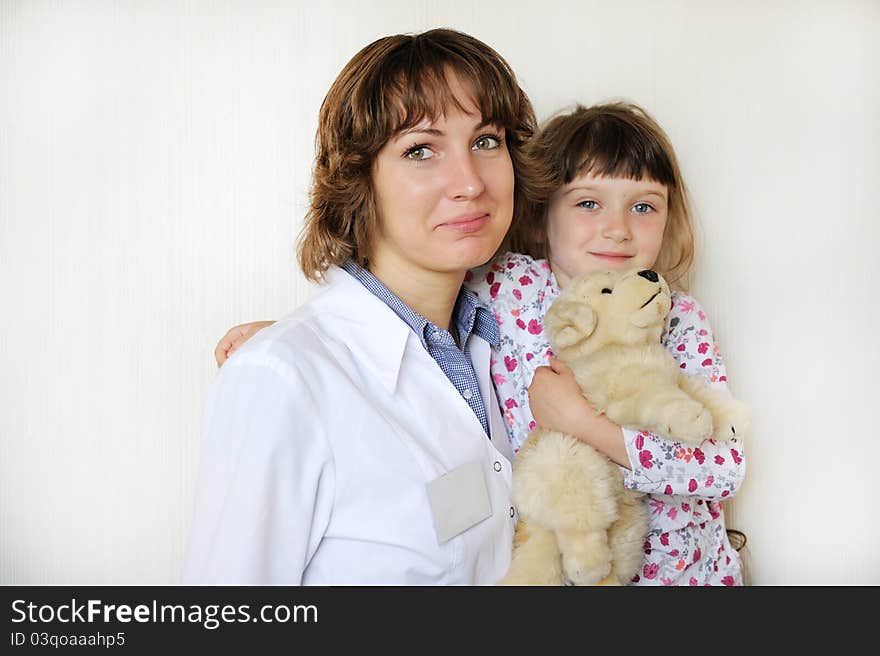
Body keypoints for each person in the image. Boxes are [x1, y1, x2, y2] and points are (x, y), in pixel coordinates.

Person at [219, 102, 748, 586]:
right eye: (589, 203)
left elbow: (723, 469)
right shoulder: (505, 286)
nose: (617, 231)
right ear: (540, 218)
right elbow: (398, 307)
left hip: (685, 576)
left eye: (644, 207)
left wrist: (588, 427)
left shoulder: (676, 320)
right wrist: (302, 336)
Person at [183, 28, 548, 584]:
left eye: (486, 141)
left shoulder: (501, 337)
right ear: (358, 181)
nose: (469, 183)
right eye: (420, 150)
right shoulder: (280, 379)